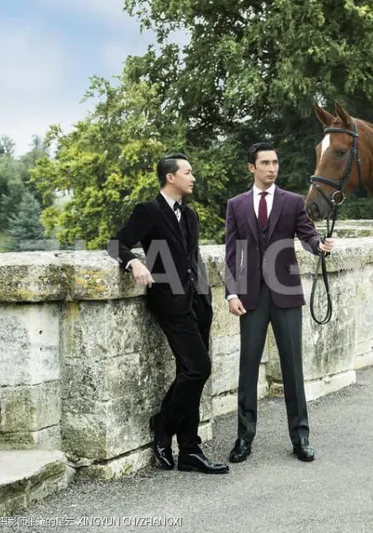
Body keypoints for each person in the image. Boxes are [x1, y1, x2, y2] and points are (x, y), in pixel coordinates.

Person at [107, 153, 229, 474]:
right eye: (188, 173)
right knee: (199, 369)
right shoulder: (148, 211)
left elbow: (194, 258)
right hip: (169, 303)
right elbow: (115, 243)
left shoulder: (189, 215)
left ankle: (190, 449)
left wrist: (205, 299)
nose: (193, 178)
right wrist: (133, 262)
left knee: (190, 371)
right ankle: (164, 425)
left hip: (197, 303)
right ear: (170, 177)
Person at [224, 141, 335, 463]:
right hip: (250, 298)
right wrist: (232, 293)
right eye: (265, 163)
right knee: (248, 369)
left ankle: (300, 438)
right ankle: (244, 439)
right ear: (252, 167)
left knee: (292, 368)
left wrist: (320, 246)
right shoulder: (236, 205)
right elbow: (232, 253)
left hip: (286, 295)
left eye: (275, 163)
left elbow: (307, 235)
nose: (272, 168)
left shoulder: (293, 202)